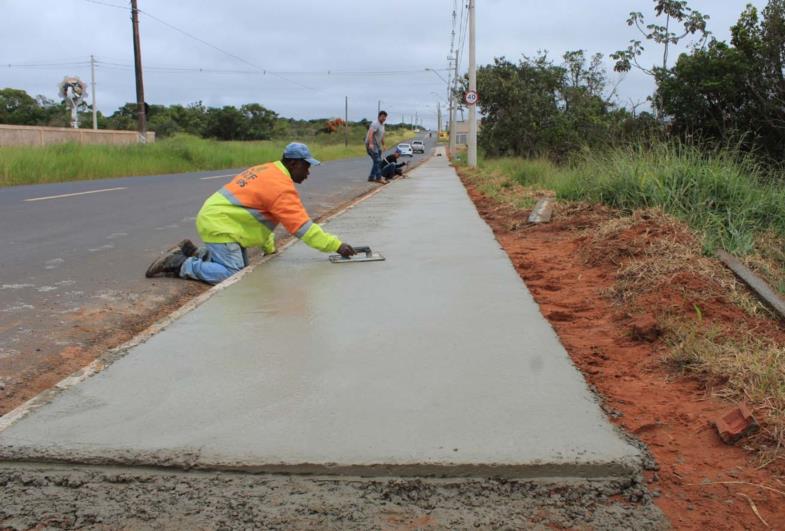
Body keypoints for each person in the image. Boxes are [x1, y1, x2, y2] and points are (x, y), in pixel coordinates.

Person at [145, 142, 356, 284]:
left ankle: (197, 252)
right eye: (306, 166)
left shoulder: (268, 170)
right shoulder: (280, 187)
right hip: (221, 225)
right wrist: (337, 246)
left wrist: (270, 249)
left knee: (241, 265)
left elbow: (263, 218)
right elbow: (303, 228)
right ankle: (181, 264)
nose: (308, 173)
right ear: (293, 163)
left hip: (218, 219)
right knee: (233, 274)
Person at [365, 110, 388, 184]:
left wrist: (383, 145)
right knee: (378, 161)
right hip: (371, 145)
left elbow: (382, 136)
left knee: (377, 161)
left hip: (377, 146)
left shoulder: (382, 125)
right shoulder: (375, 124)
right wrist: (370, 144)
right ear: (379, 117)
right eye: (382, 117)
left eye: (385, 117)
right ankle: (378, 178)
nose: (384, 118)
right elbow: (370, 134)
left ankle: (371, 177)